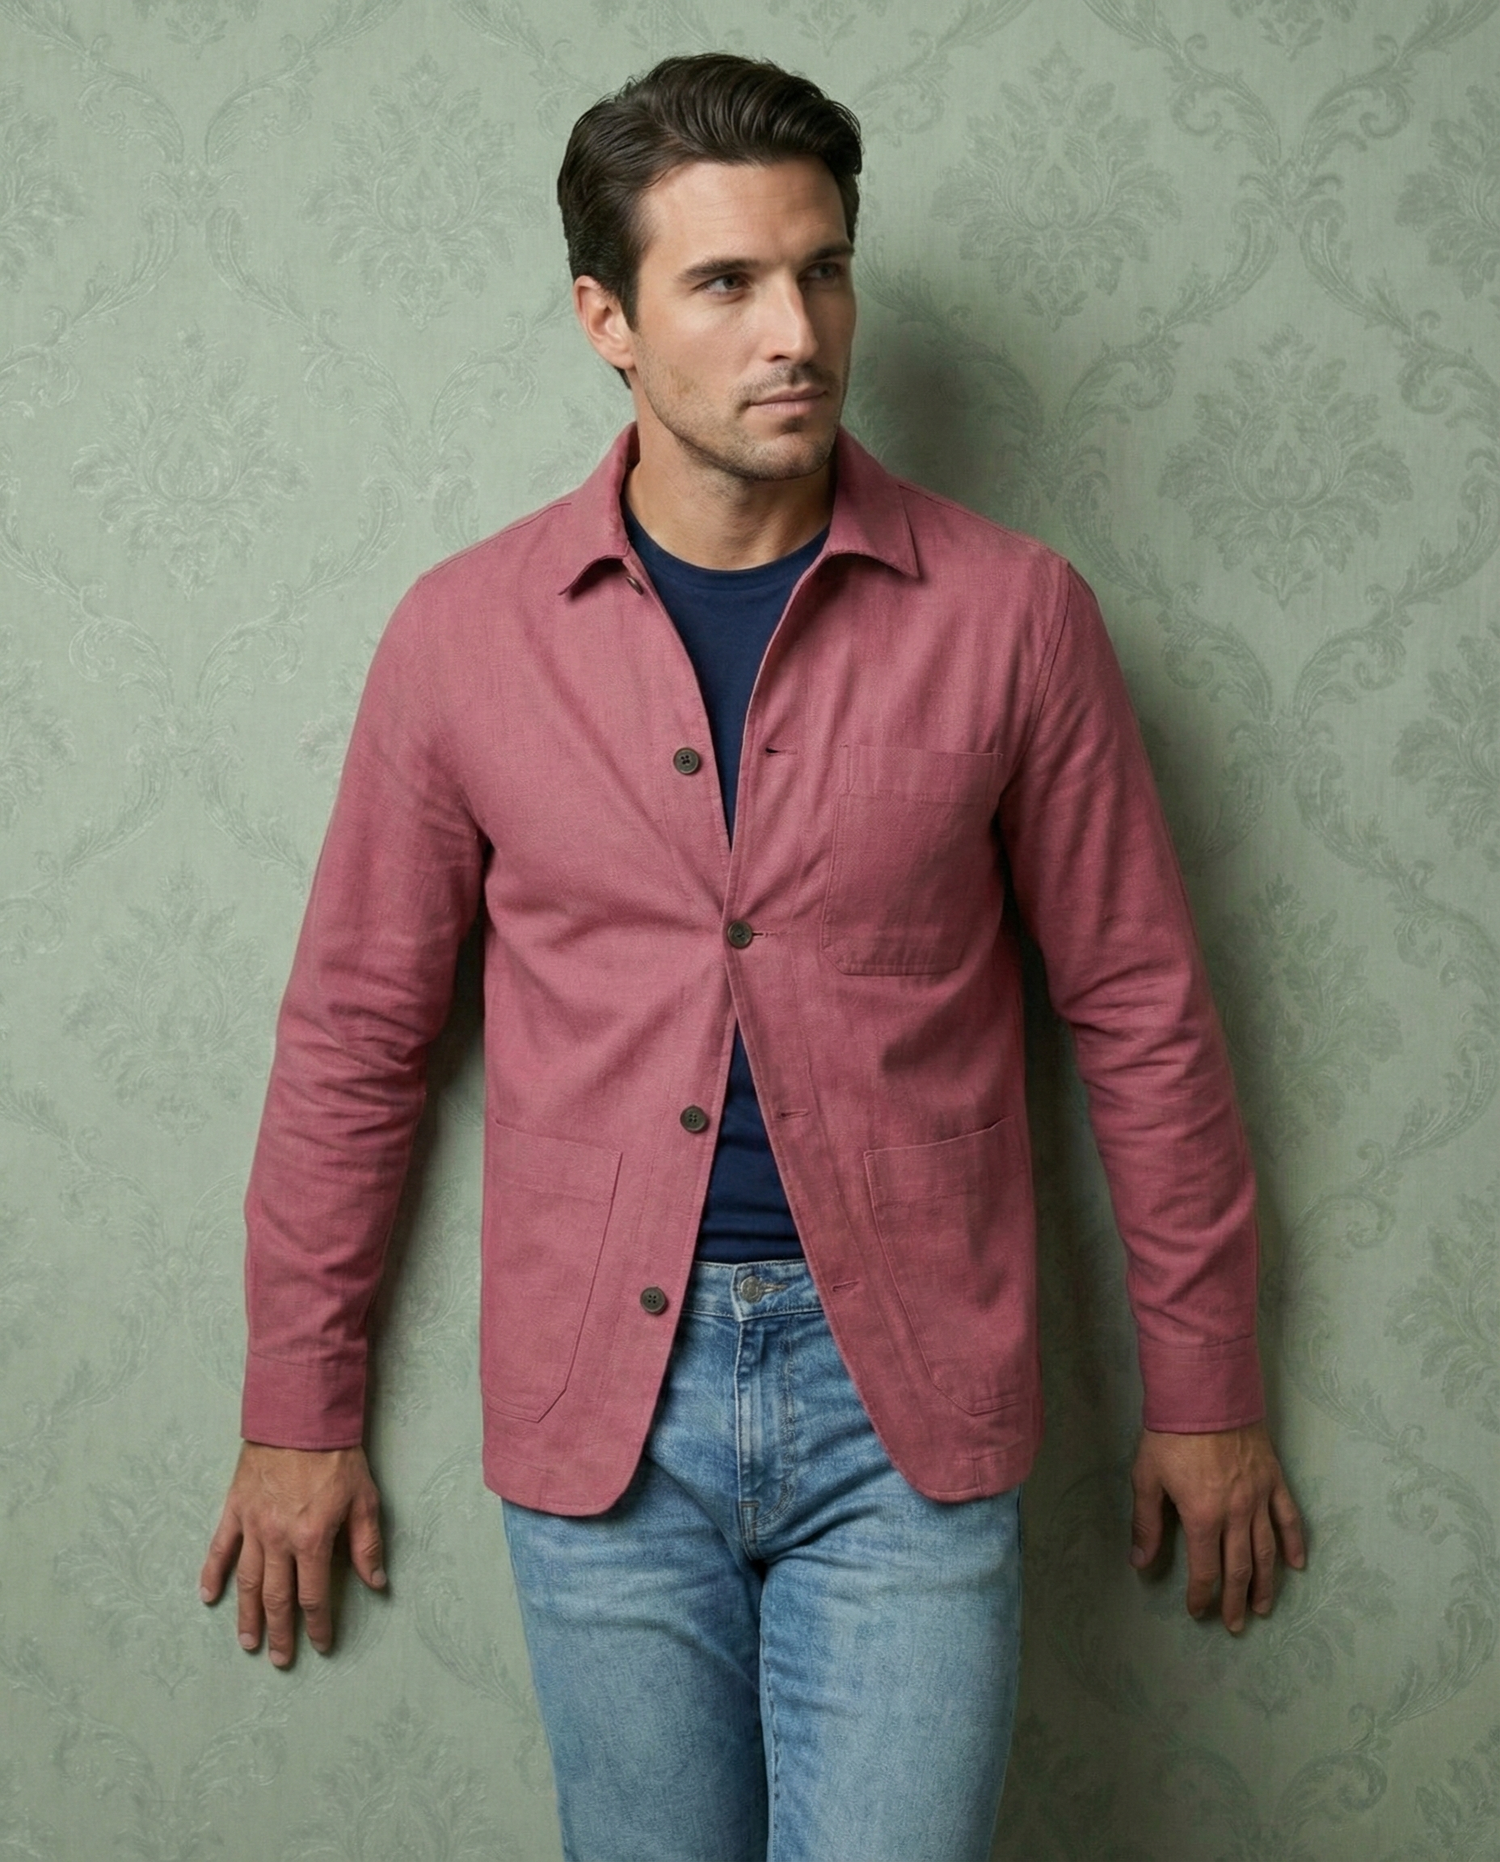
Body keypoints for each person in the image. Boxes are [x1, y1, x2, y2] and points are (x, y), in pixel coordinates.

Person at [200, 52, 1306, 1862]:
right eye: (724, 282)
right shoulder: (462, 639)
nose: (798, 331)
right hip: (601, 1407)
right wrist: (295, 1410)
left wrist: (1208, 1389)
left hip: (912, 1399)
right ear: (608, 320)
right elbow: (355, 1036)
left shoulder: (1017, 618)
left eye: (824, 269)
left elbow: (1141, 1012)